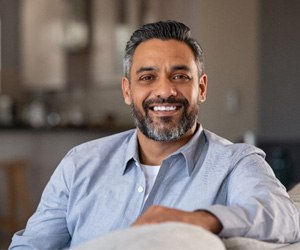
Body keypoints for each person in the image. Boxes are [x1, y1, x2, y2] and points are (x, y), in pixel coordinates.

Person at [9, 20, 300, 249]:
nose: (164, 90)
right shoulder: (80, 162)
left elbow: (286, 218)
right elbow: (32, 245)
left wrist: (201, 219)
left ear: (201, 88)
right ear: (127, 90)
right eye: (147, 77)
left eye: (180, 76)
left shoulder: (236, 162)